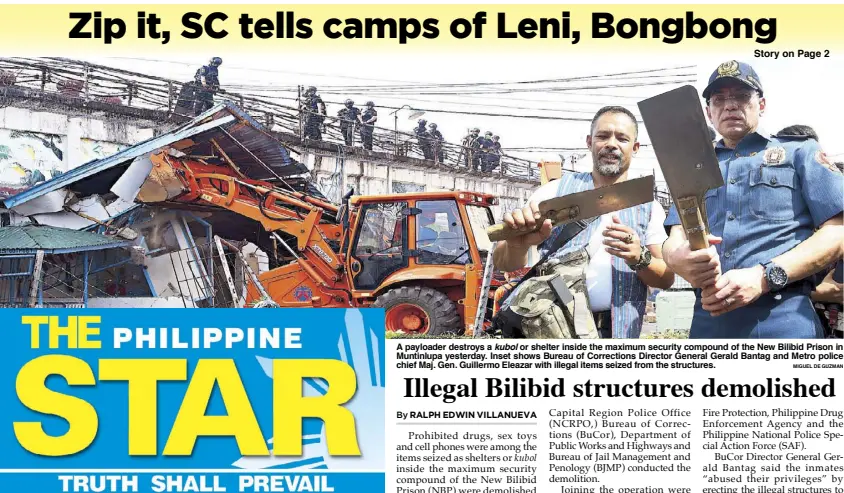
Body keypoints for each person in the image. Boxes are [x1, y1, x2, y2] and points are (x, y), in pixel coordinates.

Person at [662, 61, 844, 338]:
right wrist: (676, 258)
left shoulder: (799, 152)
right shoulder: (692, 166)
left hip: (783, 319)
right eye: (719, 99)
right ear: (709, 113)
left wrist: (764, 277)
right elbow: (675, 236)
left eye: (741, 96)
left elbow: (837, 232)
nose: (730, 105)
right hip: (707, 322)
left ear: (761, 104)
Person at [493, 106, 676, 338]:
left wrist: (639, 257)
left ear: (635, 147)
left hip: (619, 331)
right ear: (589, 142)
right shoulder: (554, 192)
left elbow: (666, 278)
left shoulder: (649, 207)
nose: (611, 143)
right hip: (553, 328)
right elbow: (504, 263)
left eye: (622, 138)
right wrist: (516, 245)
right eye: (603, 136)